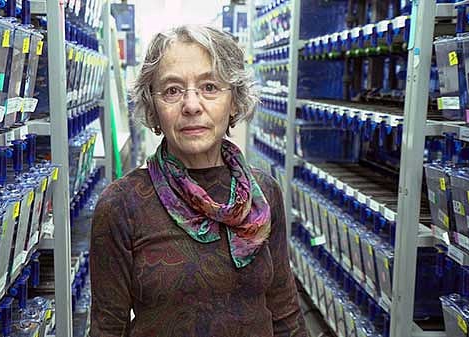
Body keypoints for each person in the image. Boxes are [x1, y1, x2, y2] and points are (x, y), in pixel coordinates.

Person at [90, 25, 308, 337]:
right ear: (153, 108)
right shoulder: (122, 204)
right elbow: (107, 328)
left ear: (234, 101)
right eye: (172, 91)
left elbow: (284, 311)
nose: (191, 105)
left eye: (209, 87)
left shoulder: (265, 193)